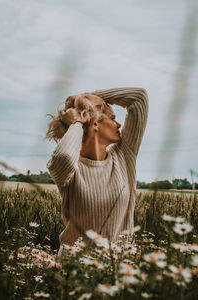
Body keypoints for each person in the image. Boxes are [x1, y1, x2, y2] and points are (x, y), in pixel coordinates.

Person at [46, 87, 148, 256]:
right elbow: (63, 156)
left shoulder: (124, 155)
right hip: (74, 271)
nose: (119, 124)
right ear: (95, 123)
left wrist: (84, 97)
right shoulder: (71, 169)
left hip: (117, 271)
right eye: (113, 118)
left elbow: (139, 98)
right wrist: (77, 122)